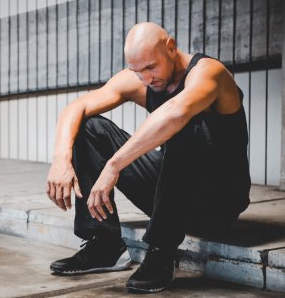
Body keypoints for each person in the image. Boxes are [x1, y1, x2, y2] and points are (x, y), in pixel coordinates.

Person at [45, 22, 251, 293]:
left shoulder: (210, 72)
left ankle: (161, 250)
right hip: (175, 196)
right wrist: (61, 158)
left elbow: (176, 112)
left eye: (151, 67)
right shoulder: (143, 77)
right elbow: (78, 106)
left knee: (180, 125)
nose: (145, 79)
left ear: (171, 47)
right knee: (88, 127)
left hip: (218, 204)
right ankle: (104, 245)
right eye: (137, 71)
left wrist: (113, 166)